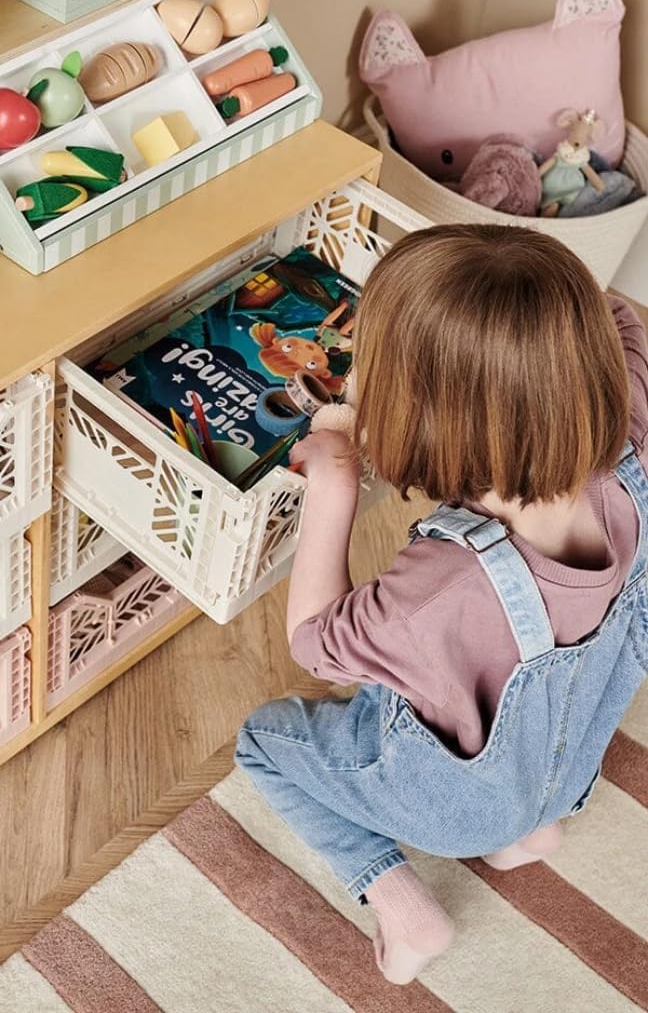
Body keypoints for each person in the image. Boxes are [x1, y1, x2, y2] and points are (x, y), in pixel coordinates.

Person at [235, 225, 647, 984]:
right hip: (565, 767)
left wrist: (335, 480)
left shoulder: (446, 585)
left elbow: (315, 641)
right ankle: (527, 836)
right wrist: (526, 316)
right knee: (508, 737)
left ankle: (402, 907)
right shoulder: (633, 432)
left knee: (265, 743)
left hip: (455, 808)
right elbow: (620, 318)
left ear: (427, 424)